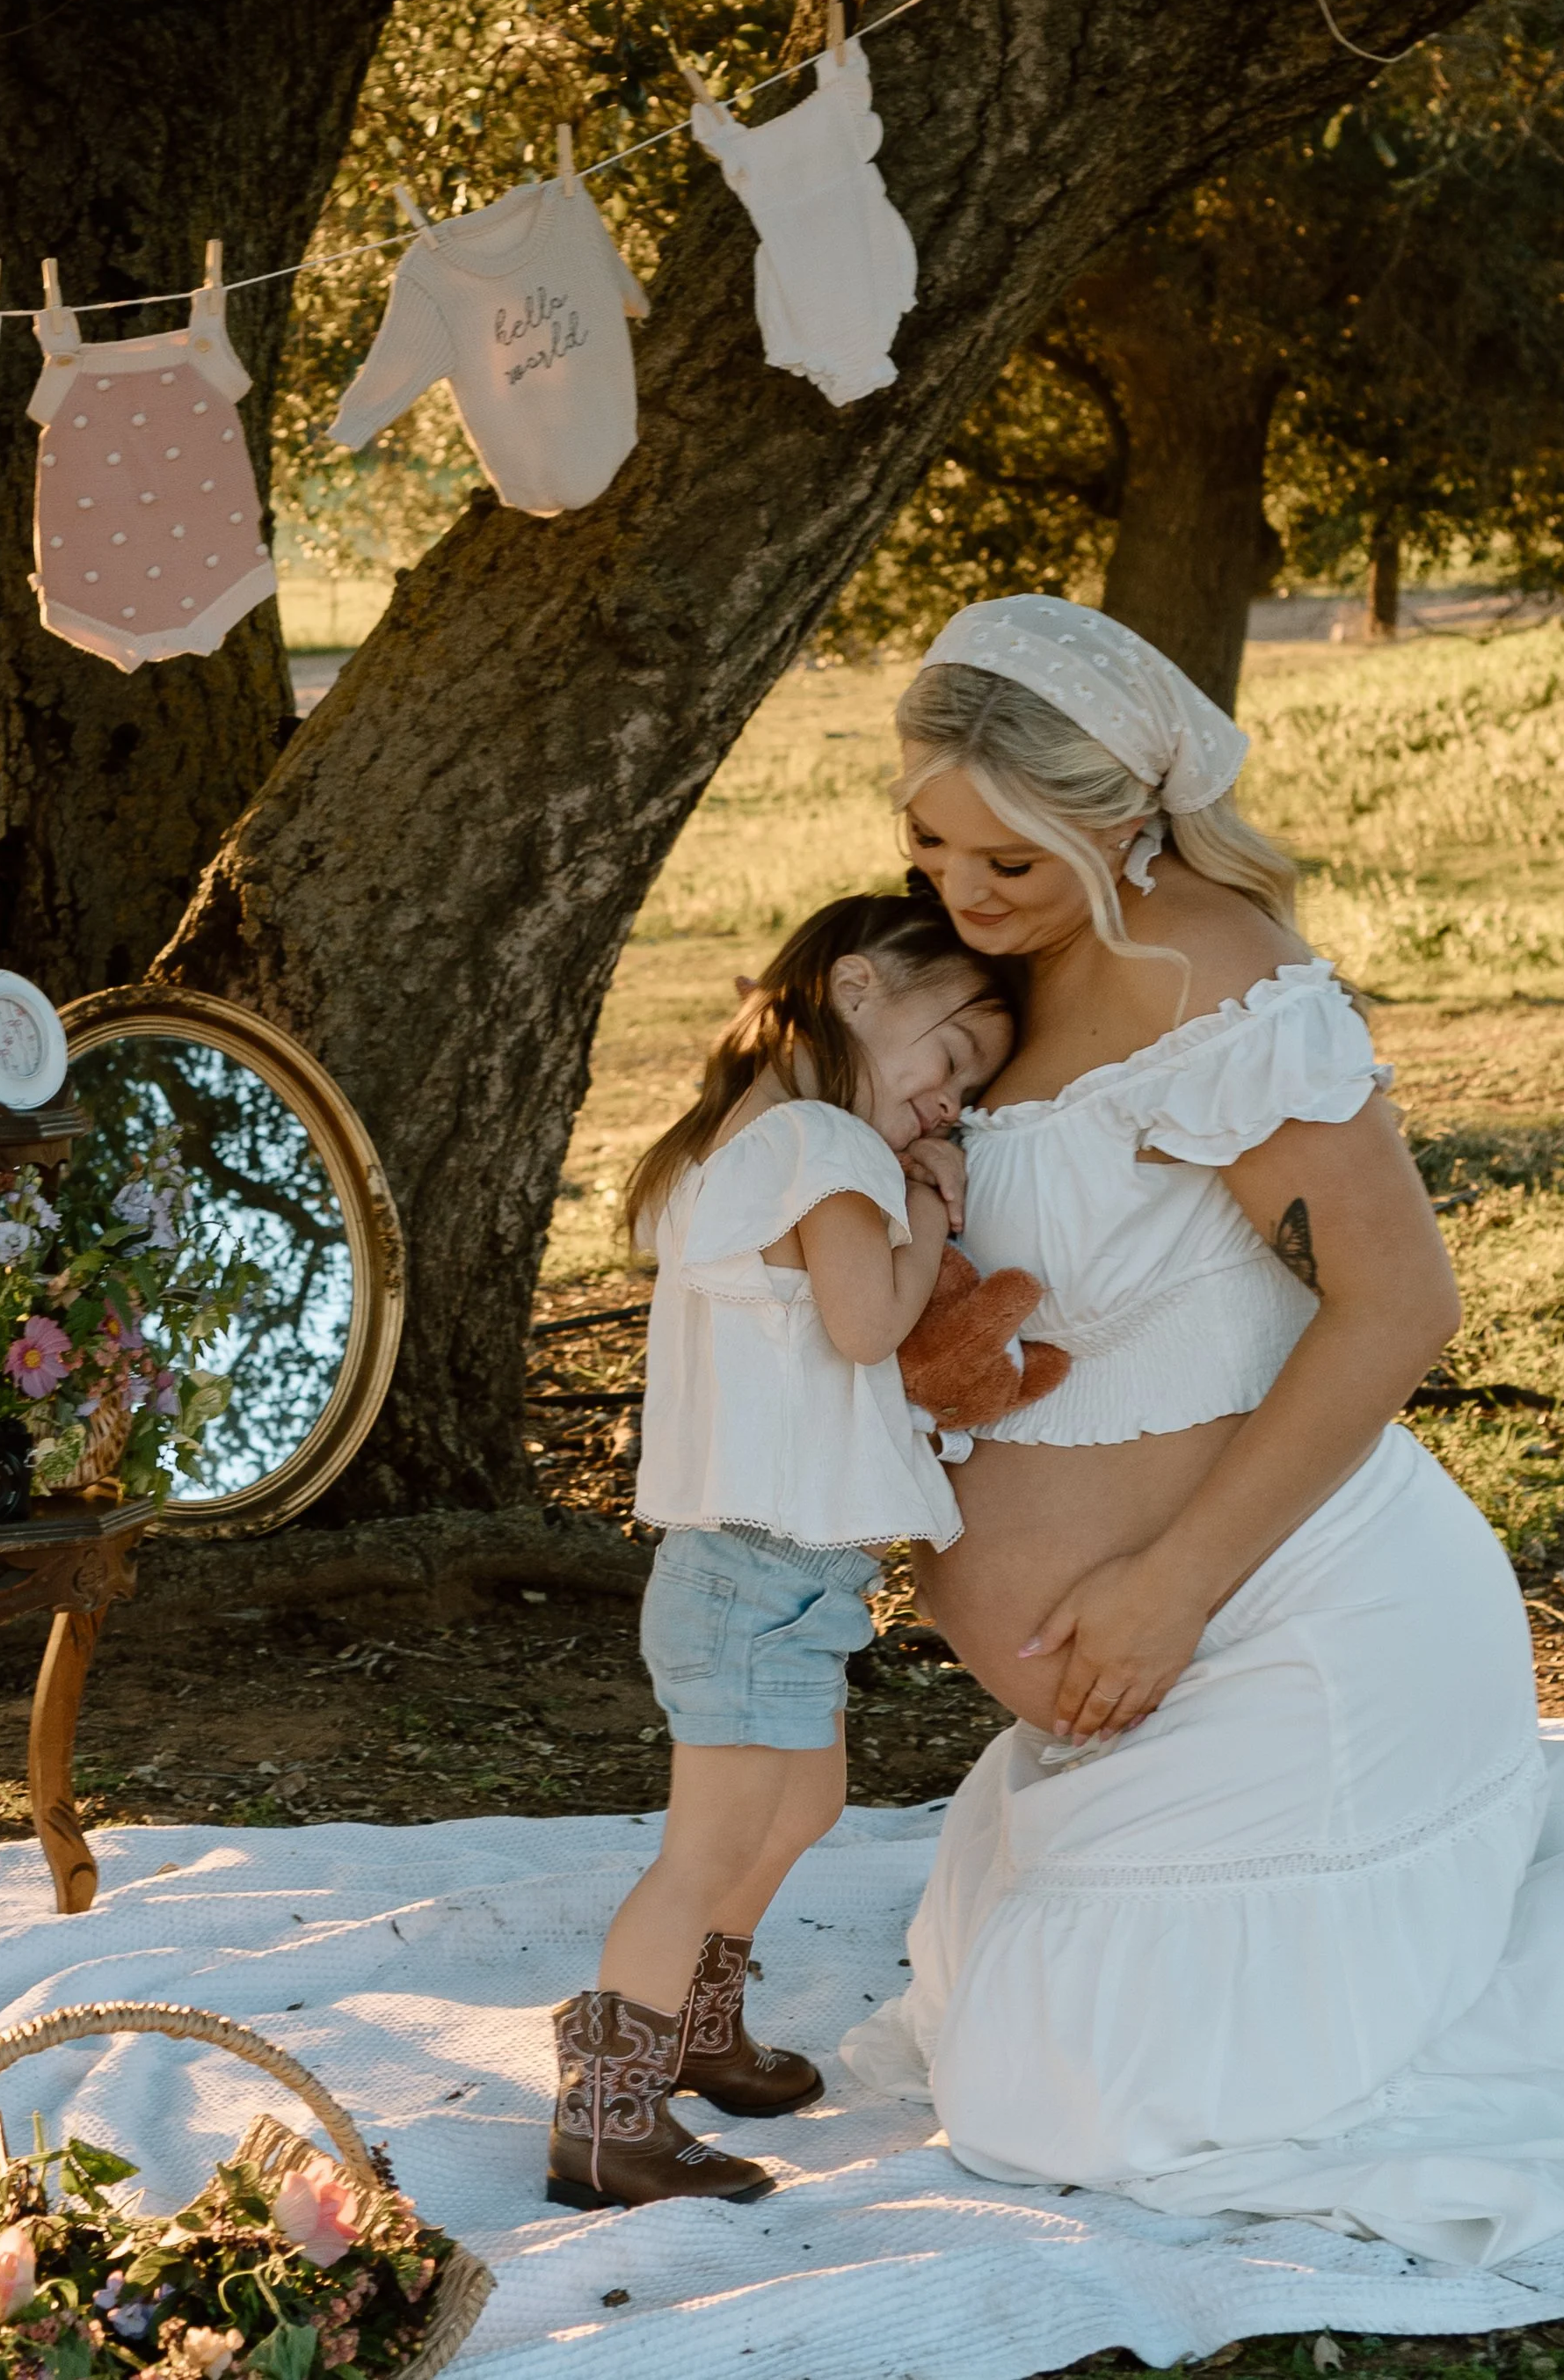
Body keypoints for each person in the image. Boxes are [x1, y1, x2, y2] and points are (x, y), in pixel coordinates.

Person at [843, 593, 1564, 2267]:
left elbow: (1400, 1305)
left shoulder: (1210, 976)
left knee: (1055, 2100)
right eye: (933, 843)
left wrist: (1169, 1585)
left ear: (1130, 814)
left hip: (1290, 1622)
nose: (964, 891)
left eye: (1013, 858)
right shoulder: (976, 971)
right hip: (1123, 1704)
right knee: (1023, 2050)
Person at [548, 893, 1015, 2213]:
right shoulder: (823, 1143)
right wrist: (934, 1205)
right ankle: (605, 2115)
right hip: (752, 1569)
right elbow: (871, 1324)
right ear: (857, 987)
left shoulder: (752, 1141)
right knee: (706, 1843)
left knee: (802, 1803)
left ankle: (698, 2022)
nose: (947, 1105)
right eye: (949, 1063)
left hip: (779, 1570)